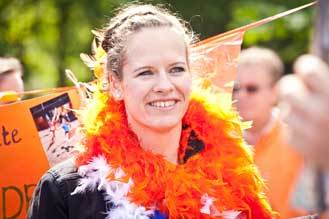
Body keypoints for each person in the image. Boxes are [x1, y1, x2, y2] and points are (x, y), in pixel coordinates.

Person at [28, 4, 274, 219]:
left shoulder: (229, 174)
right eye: (146, 72)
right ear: (115, 85)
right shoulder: (66, 191)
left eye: (176, 69)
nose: (165, 86)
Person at [233, 47, 304, 218]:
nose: (241, 95)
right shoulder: (218, 139)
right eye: (235, 88)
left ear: (274, 92)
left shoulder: (299, 138)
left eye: (252, 89)